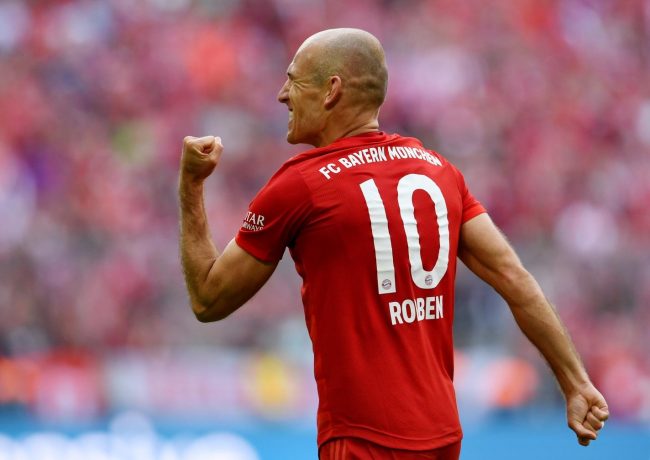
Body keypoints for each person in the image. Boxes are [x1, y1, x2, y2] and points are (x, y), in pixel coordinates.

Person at [178, 28, 608, 460]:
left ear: (331, 91)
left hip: (363, 439)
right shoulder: (439, 171)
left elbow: (209, 300)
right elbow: (515, 278)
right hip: (441, 437)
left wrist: (192, 186)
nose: (282, 94)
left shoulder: (300, 184)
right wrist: (576, 383)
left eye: (294, 80)